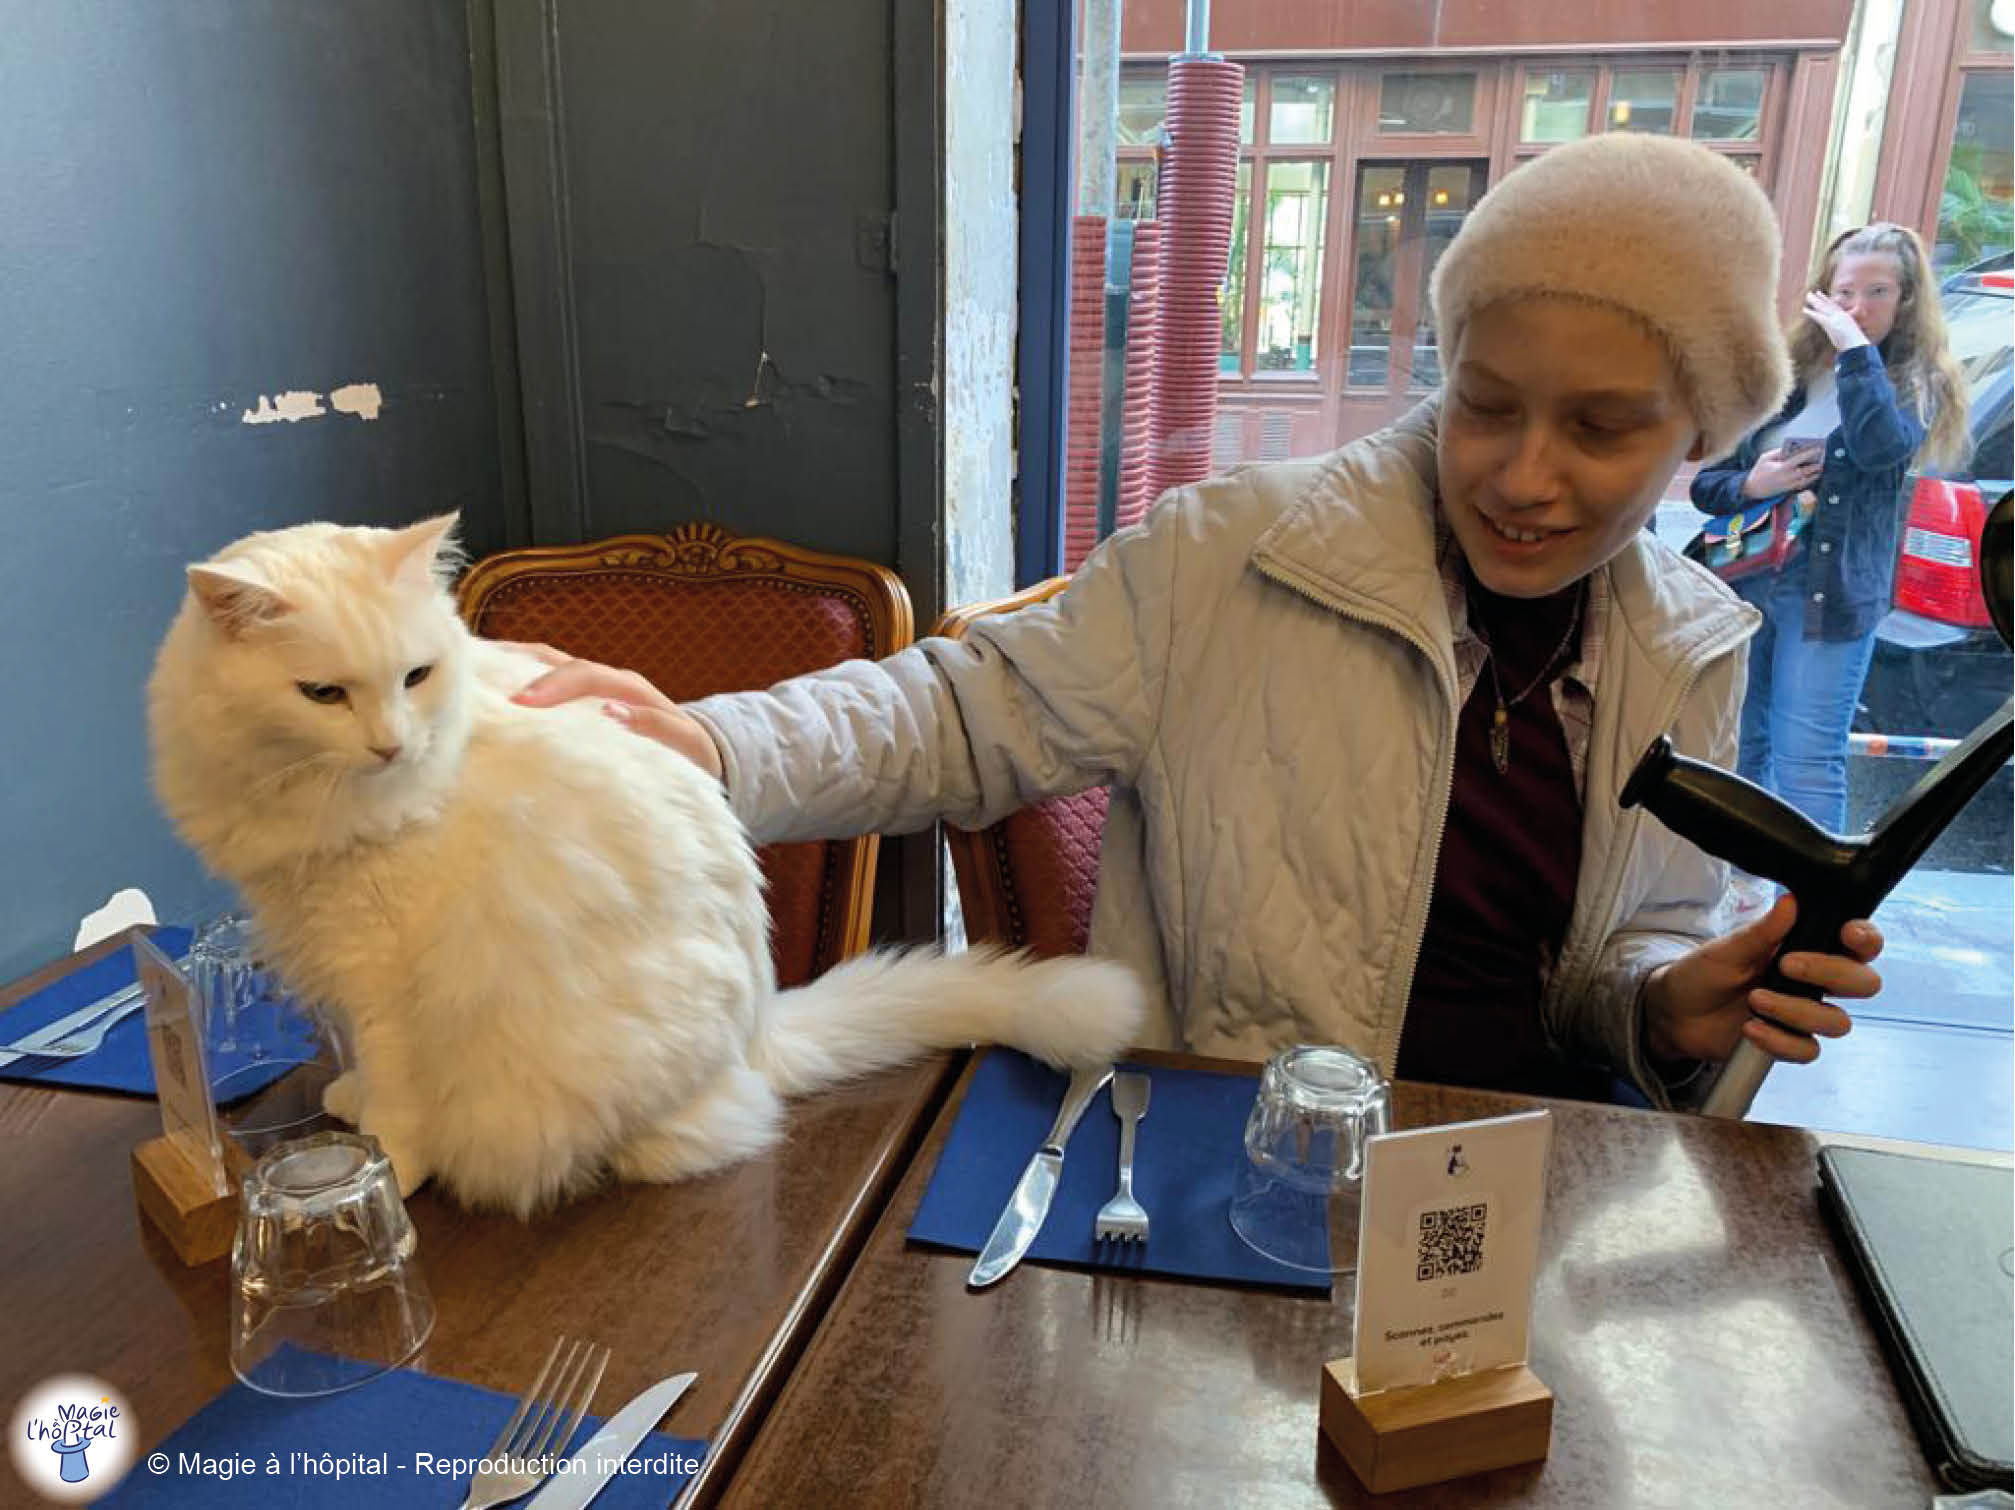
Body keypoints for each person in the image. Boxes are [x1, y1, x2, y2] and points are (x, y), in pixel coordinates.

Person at [514, 134, 1886, 1109]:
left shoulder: (1689, 643)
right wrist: (705, 745)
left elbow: (1614, 955)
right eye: (1483, 402)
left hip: (1535, 1186)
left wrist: (1659, 1004)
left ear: (1700, 429)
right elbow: (956, 710)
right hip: (1231, 1174)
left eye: (1597, 427)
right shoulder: (1235, 549)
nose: (1522, 475)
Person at [1691, 223, 1970, 835]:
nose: (1857, 307)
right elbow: (1705, 483)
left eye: (1878, 291)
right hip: (1746, 584)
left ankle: (1811, 913)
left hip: (1831, 597)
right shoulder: (1786, 374)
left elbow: (1879, 449)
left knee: (1807, 761)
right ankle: (1739, 896)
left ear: (1906, 300)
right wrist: (1753, 485)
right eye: (1845, 291)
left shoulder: (1909, 382)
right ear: (1823, 291)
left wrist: (1854, 353)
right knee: (1739, 751)